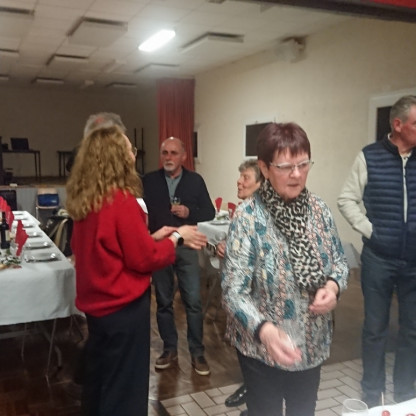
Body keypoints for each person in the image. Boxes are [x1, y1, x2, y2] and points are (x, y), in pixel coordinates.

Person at [66, 124, 207, 416]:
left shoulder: (87, 199)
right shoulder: (121, 200)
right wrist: (176, 238)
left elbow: (108, 249)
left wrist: (152, 238)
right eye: (129, 148)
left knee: (100, 382)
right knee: (125, 390)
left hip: (98, 310)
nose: (134, 153)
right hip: (122, 310)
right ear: (116, 156)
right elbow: (144, 260)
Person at [221, 122, 349, 416]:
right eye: (286, 167)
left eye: (303, 164)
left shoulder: (319, 210)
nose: (297, 174)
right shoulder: (248, 217)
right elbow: (233, 292)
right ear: (264, 168)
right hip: (262, 348)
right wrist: (265, 331)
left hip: (311, 344)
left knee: (303, 410)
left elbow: (340, 263)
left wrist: (332, 287)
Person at [337, 95, 416, 408]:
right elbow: (346, 199)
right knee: (375, 330)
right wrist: (371, 230)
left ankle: (406, 395)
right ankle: (372, 396)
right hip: (378, 259)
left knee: (412, 331)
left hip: (414, 262)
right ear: (398, 125)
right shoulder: (369, 156)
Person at [143, 136, 216, 375]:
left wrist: (188, 211)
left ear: (183, 156)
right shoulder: (149, 181)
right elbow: (141, 213)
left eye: (174, 153)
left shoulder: (195, 181)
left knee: (193, 301)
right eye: (165, 153)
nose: (168, 157)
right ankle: (169, 349)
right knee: (163, 301)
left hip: (187, 246)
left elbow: (209, 212)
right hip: (160, 246)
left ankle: (197, 352)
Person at [215, 159, 262, 411]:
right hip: (237, 295)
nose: (239, 181)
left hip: (254, 298)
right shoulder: (241, 211)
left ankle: (255, 398)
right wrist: (224, 246)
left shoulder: (261, 213)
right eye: (240, 176)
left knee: (255, 349)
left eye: (246, 177)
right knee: (243, 348)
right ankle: (250, 388)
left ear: (260, 183)